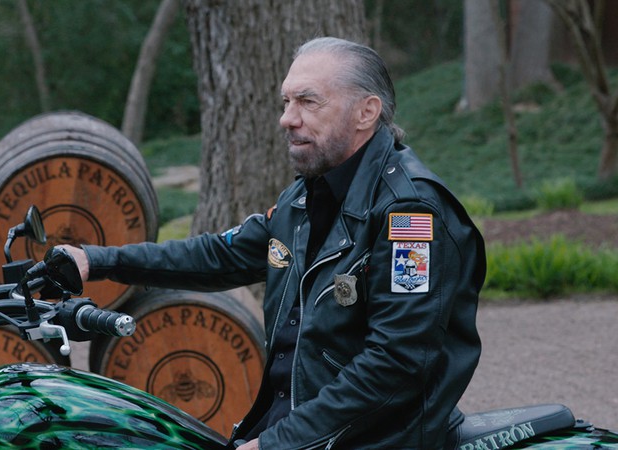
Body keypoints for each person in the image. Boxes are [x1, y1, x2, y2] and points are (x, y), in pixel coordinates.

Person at [62, 37, 486, 449]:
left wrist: (277, 443)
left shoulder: (409, 214)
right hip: (295, 431)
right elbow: (219, 255)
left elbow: (396, 363)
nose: (287, 118)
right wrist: (95, 261)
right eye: (286, 102)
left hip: (369, 440)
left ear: (366, 112)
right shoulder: (305, 196)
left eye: (308, 101)